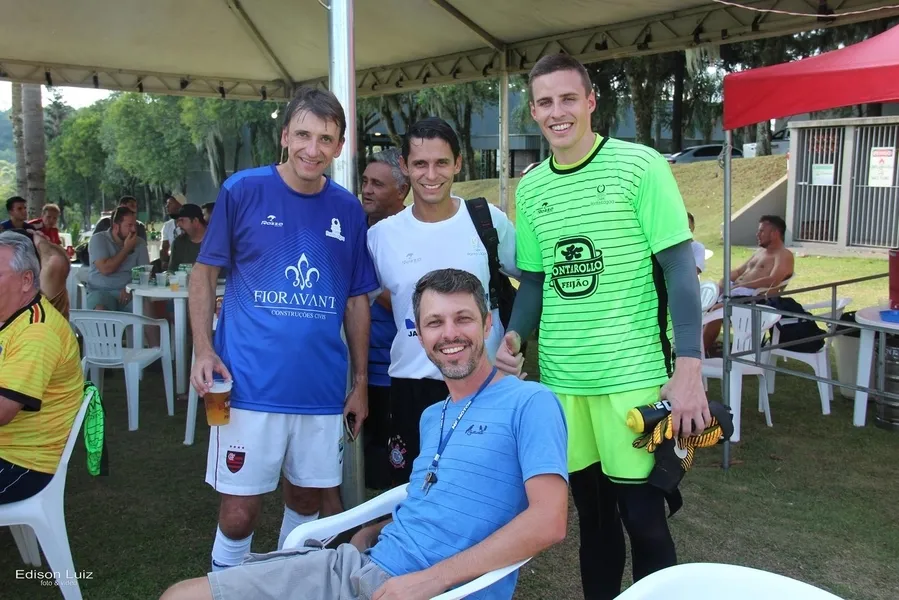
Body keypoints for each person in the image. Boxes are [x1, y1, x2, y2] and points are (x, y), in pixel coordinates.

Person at [161, 268, 569, 600]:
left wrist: (430, 580)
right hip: (358, 567)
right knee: (181, 596)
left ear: (487, 324)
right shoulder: (432, 416)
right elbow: (435, 495)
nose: (450, 334)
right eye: (434, 322)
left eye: (463, 318)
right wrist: (372, 530)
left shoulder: (529, 403)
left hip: (426, 589)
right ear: (419, 335)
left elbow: (549, 521)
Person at [494, 54, 710, 600]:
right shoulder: (533, 188)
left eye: (568, 98)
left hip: (632, 379)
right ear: (534, 112)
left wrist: (689, 367)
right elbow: (538, 284)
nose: (557, 112)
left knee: (644, 520)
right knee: (593, 523)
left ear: (591, 102)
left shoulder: (640, 166)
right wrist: (515, 339)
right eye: (544, 102)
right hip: (565, 385)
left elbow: (680, 271)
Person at [188, 86, 378, 572]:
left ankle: (283, 583)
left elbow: (358, 300)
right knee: (238, 512)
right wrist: (203, 350)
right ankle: (226, 583)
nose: (312, 149)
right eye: (303, 135)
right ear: (284, 137)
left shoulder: (348, 210)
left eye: (325, 139)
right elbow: (204, 272)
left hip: (319, 391)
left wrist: (359, 384)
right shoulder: (243, 190)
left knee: (307, 502)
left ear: (338, 147)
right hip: (247, 387)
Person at [367, 117, 519, 486]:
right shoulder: (381, 237)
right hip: (411, 384)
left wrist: (514, 338)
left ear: (458, 164)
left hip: (483, 382)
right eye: (420, 164)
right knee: (412, 495)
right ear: (404, 167)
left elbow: (533, 279)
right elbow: (356, 303)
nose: (431, 174)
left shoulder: (487, 221)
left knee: (483, 494)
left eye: (441, 163)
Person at [0, 231, 83, 504]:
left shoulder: (36, 331)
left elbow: (3, 411)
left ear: (26, 280)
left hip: (21, 462)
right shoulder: (11, 317)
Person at [360, 148, 409, 489]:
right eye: (364, 181)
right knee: (364, 462)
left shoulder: (412, 232)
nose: (367, 190)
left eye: (377, 184)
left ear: (402, 190)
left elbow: (418, 307)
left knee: (397, 467)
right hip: (356, 369)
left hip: (396, 371)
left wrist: (374, 287)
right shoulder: (350, 230)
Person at [702, 215, 794, 354]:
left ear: (774, 233)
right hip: (735, 291)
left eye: (762, 231)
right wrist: (723, 281)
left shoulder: (783, 255)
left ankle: (699, 354)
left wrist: (740, 286)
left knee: (717, 310)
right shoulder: (760, 252)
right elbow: (740, 271)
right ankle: (693, 349)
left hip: (755, 298)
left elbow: (773, 280)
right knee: (700, 302)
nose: (757, 234)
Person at [86, 206, 150, 312]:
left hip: (130, 292)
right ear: (116, 227)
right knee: (100, 309)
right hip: (101, 292)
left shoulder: (140, 243)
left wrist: (131, 287)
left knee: (147, 308)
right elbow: (106, 269)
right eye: (129, 225)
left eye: (135, 225)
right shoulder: (99, 239)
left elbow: (145, 273)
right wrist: (126, 249)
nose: (134, 229)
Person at [167, 204, 208, 273]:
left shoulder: (215, 242)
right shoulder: (178, 243)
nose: (178, 225)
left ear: (195, 221)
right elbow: (171, 272)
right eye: (177, 221)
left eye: (182, 220)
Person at [160, 194, 185, 268]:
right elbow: (164, 247)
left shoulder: (189, 223)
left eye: (170, 203)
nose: (166, 206)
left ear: (180, 205)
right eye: (167, 203)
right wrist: (164, 261)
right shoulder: (167, 225)